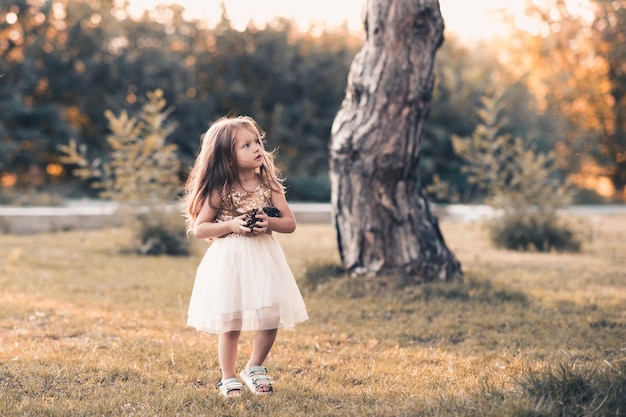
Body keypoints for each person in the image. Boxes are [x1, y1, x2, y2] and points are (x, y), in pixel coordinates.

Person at [182, 115, 309, 397]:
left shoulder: (270, 185)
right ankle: (227, 377)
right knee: (232, 321)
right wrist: (231, 225)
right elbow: (201, 227)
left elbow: (290, 223)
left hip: (264, 257)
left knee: (270, 316)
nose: (257, 149)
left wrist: (269, 223)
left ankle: (254, 366)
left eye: (257, 142)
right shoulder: (221, 190)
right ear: (228, 157)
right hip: (231, 261)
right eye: (247, 145)